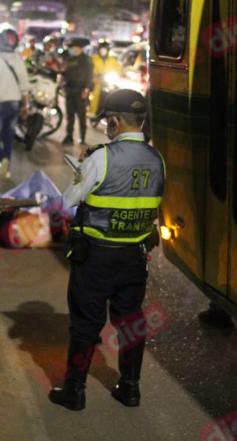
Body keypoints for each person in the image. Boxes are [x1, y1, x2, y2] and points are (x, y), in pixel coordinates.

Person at [48, 89, 165, 411]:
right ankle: (129, 388)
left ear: (114, 121)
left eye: (107, 121)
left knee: (86, 323)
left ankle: (74, 391)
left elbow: (68, 201)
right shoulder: (158, 159)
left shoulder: (101, 156)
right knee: (130, 321)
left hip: (97, 256)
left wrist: (82, 167)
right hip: (134, 257)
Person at [0, 28, 30, 180]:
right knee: (8, 136)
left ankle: (2, 159)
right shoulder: (19, 61)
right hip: (14, 104)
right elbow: (24, 86)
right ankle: (7, 168)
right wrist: (24, 106)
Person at [61, 38, 94, 145]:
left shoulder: (86, 60)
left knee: (81, 115)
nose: (71, 50)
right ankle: (69, 136)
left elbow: (89, 76)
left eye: (73, 47)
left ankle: (82, 137)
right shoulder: (69, 59)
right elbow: (66, 73)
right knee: (70, 116)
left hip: (81, 90)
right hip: (70, 89)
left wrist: (87, 89)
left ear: (79, 48)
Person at [89, 39, 122, 118]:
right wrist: (95, 76)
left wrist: (124, 74)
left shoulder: (113, 60)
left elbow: (119, 69)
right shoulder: (93, 59)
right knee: (95, 93)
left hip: (108, 80)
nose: (104, 50)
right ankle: (93, 111)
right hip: (97, 81)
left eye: (106, 48)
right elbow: (90, 69)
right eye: (102, 48)